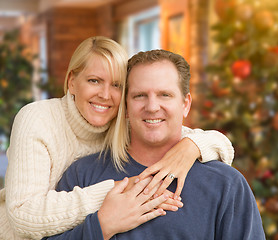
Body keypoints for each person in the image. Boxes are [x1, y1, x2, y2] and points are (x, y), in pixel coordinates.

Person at [0, 37, 235, 239]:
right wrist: (117, 194)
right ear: (72, 81)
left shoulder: (120, 120)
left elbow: (167, 128)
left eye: (116, 85)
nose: (105, 95)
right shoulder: (38, 119)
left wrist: (191, 147)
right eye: (94, 80)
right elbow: (23, 217)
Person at [46, 49, 265, 239]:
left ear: (185, 104)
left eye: (165, 95)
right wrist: (102, 227)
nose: (152, 107)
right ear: (126, 105)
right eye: (140, 95)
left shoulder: (226, 185)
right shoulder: (82, 175)